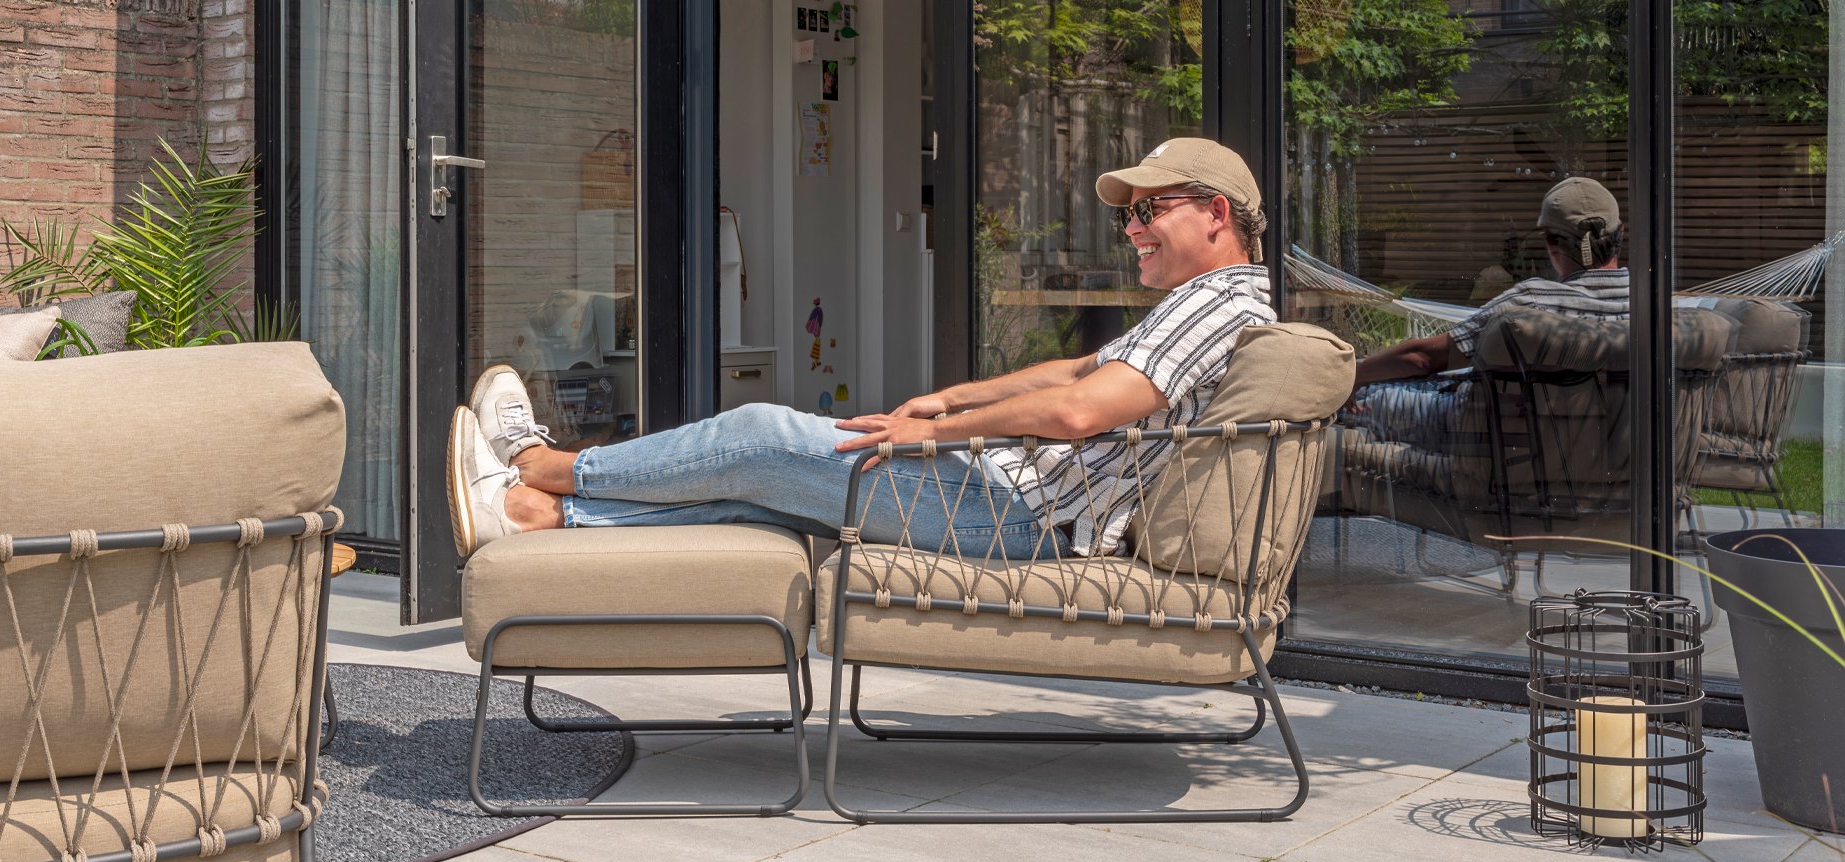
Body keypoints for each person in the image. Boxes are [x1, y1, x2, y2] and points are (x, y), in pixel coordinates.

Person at [447, 138, 1276, 562]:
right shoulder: (1201, 304)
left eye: (1150, 209)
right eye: (1127, 215)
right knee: (764, 495)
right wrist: (953, 399)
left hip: (1022, 514)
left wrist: (932, 433)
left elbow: (1078, 410)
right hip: (1015, 500)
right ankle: (534, 516)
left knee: (761, 435)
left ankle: (547, 466)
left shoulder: (1219, 304)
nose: (1132, 229)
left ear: (1216, 214)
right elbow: (1074, 370)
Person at [1344, 176, 1628, 447]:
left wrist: (1355, 374)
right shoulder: (1646, 306)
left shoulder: (1531, 301)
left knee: (1371, 398)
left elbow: (1423, 359)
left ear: (1551, 244)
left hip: (1492, 443)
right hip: (1599, 449)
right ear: (1621, 233)